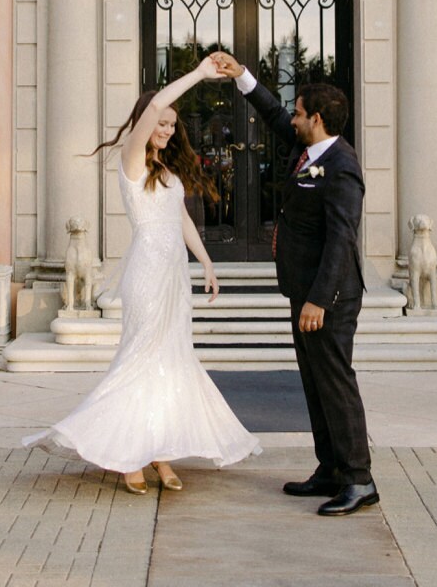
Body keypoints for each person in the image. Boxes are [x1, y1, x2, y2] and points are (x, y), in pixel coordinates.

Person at [23, 55, 260, 492]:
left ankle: (159, 452)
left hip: (174, 276)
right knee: (140, 362)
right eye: (161, 123)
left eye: (172, 125)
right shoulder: (131, 159)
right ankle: (127, 455)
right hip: (147, 274)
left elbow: (181, 219)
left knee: (170, 361)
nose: (167, 130)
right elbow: (152, 109)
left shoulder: (167, 171)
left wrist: (205, 262)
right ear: (144, 124)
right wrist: (200, 75)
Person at [213, 52, 378, 517]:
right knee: (314, 384)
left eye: (301, 113)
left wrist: (319, 301)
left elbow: (343, 238)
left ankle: (359, 479)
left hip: (329, 298)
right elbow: (273, 114)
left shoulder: (341, 166)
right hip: (303, 291)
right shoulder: (309, 149)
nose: (295, 119)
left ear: (318, 119)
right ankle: (330, 469)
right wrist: (241, 75)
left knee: (336, 384)